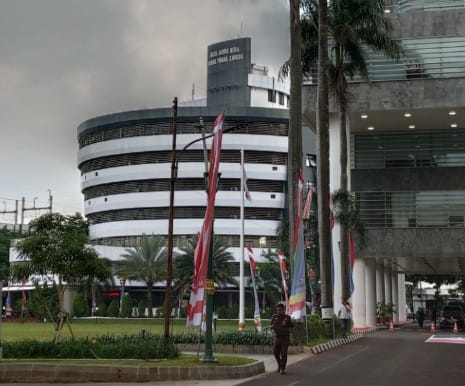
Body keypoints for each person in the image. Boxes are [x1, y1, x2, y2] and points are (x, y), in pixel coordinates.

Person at [270, 303, 293, 375]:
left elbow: (292, 326)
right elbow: (271, 325)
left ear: (284, 310)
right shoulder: (274, 317)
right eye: (277, 310)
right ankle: (279, 365)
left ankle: (282, 368)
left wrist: (288, 322)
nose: (279, 312)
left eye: (280, 310)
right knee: (275, 352)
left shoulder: (287, 317)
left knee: (283, 353)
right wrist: (272, 326)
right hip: (277, 337)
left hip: (285, 338)